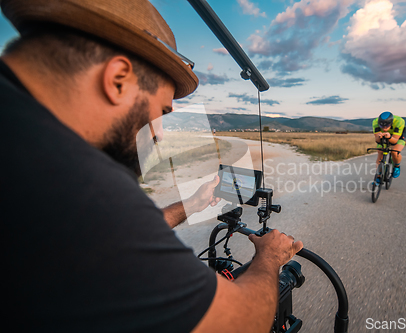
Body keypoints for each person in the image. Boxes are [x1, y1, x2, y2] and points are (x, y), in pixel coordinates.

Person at [0, 1, 303, 332]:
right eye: (161, 112)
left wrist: (191, 205)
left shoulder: (26, 140)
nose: (157, 134)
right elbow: (238, 323)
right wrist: (271, 257)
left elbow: (113, 235)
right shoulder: (75, 184)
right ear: (117, 80)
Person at [372, 111, 406, 180]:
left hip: (398, 136)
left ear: (391, 123)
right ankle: (378, 176)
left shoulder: (399, 121)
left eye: (387, 126)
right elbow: (377, 141)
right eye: (382, 126)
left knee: (394, 152)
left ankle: (396, 166)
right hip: (384, 135)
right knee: (380, 153)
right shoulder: (375, 122)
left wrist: (389, 137)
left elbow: (394, 141)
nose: (384, 128)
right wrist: (379, 137)